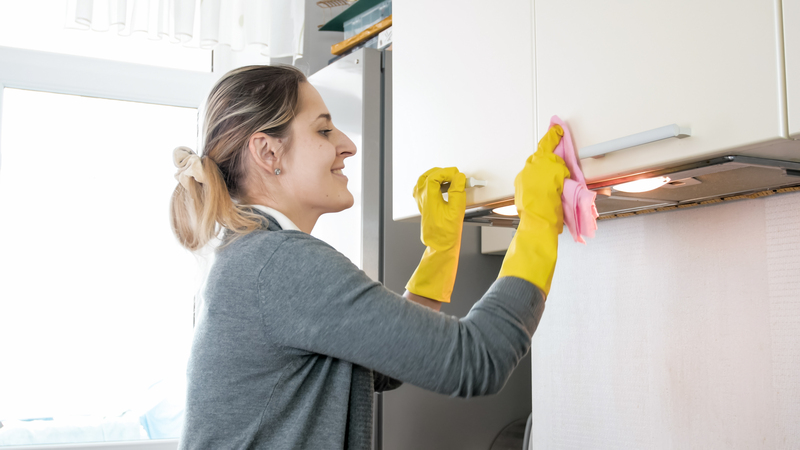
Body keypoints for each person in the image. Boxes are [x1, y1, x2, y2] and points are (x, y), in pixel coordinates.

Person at [170, 64, 570, 450]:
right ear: (269, 152)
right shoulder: (279, 262)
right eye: (324, 130)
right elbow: (478, 360)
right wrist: (537, 225)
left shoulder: (249, 255)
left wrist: (440, 253)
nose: (348, 144)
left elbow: (383, 363)